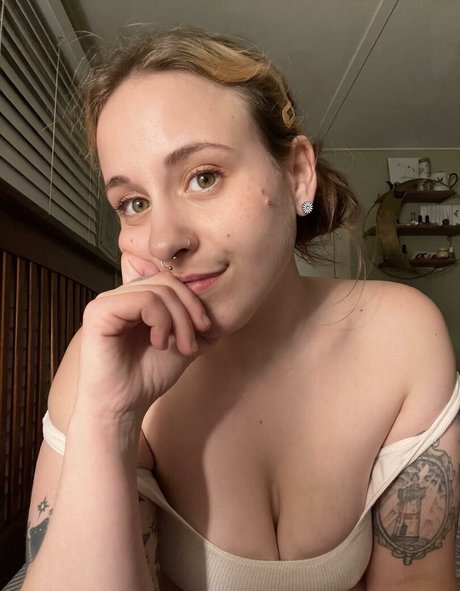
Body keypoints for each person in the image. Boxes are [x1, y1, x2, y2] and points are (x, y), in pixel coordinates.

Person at [22, 26, 459, 591]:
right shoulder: (102, 368)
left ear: (297, 174)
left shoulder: (402, 337)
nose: (163, 241)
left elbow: (416, 579)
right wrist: (110, 420)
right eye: (133, 202)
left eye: (203, 177)